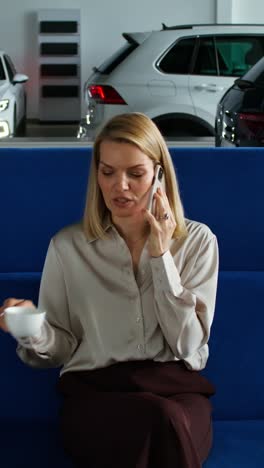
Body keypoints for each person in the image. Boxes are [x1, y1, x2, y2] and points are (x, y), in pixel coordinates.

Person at [0, 112, 219, 468]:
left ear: (160, 175)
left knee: (163, 418)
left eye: (135, 173)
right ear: (96, 175)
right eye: (108, 172)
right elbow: (61, 348)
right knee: (155, 421)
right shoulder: (68, 247)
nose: (120, 186)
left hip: (177, 393)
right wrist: (32, 329)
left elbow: (187, 344)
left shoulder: (197, 242)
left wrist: (161, 255)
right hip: (97, 394)